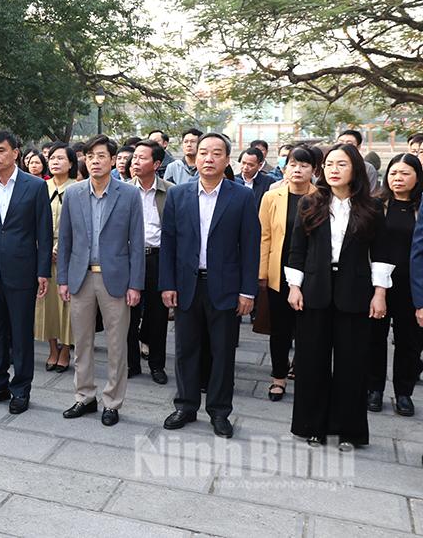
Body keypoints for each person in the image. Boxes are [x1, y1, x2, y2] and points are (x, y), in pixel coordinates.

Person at [285, 143, 393, 449]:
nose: (333, 169)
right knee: (311, 362)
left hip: (355, 292)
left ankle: (349, 430)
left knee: (352, 364)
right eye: (329, 164)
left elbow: (381, 254)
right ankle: (312, 426)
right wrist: (294, 286)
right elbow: (297, 249)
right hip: (315, 290)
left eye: (341, 164)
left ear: (355, 169)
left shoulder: (371, 208)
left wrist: (380, 293)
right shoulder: (311, 203)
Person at [160, 133, 260, 439]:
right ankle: (186, 405)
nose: (208, 158)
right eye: (203, 152)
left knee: (222, 352)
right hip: (188, 285)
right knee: (186, 350)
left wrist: (247, 291)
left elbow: (250, 246)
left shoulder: (242, 196)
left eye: (216, 153)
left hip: (226, 288)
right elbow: (170, 243)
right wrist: (168, 284)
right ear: (195, 157)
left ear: (226, 160)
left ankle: (219, 411)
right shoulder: (179, 195)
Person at [58, 135, 144, 426]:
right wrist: (63, 280)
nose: (95, 161)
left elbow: (137, 243)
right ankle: (84, 396)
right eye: (90, 156)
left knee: (117, 344)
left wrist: (136, 284)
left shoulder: (129, 195)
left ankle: (112, 401)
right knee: (81, 342)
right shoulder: (73, 194)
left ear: (112, 159)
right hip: (81, 277)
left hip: (116, 279)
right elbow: (66, 240)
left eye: (101, 156)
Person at [0, 130, 53, 414]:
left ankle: (21, 389)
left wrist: (43, 272)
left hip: (22, 270)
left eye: (0, 150)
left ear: (15, 153)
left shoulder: (34, 186)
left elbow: (43, 232)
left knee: (21, 333)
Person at [258, 145, 317, 402]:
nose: (298, 170)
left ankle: (303, 371)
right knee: (280, 328)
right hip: (278, 272)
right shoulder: (272, 197)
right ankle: (278, 377)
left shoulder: (322, 197)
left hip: (313, 273)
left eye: (304, 165)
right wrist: (262, 273)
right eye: (293, 164)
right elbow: (264, 236)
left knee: (308, 328)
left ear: (314, 170)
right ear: (285, 167)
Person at [367, 154, 423, 416]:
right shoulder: (377, 205)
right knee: (374, 338)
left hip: (411, 286)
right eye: (393, 173)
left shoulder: (420, 206)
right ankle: (374, 389)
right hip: (379, 284)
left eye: (404, 173)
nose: (397, 178)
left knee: (409, 341)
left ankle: (404, 393)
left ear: (417, 177)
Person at [128, 140, 174, 385]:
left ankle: (157, 365)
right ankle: (131, 363)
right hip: (129, 259)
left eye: (142, 158)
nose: (135, 161)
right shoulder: (123, 190)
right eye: (134, 157)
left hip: (157, 258)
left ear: (156, 164)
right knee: (128, 314)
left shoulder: (171, 191)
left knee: (158, 315)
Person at [35, 142, 78, 373]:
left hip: (69, 252)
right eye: (52, 158)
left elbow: (81, 225)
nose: (55, 161)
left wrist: (61, 247)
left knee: (67, 303)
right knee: (46, 303)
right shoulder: (40, 187)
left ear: (71, 163)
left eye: (61, 158)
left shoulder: (78, 188)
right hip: (42, 251)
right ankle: (52, 347)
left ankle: (65, 349)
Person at [337, 129, 379, 193]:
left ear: (358, 147)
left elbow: (370, 194)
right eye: (340, 143)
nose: (343, 146)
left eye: (349, 144)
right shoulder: (328, 165)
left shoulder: (368, 169)